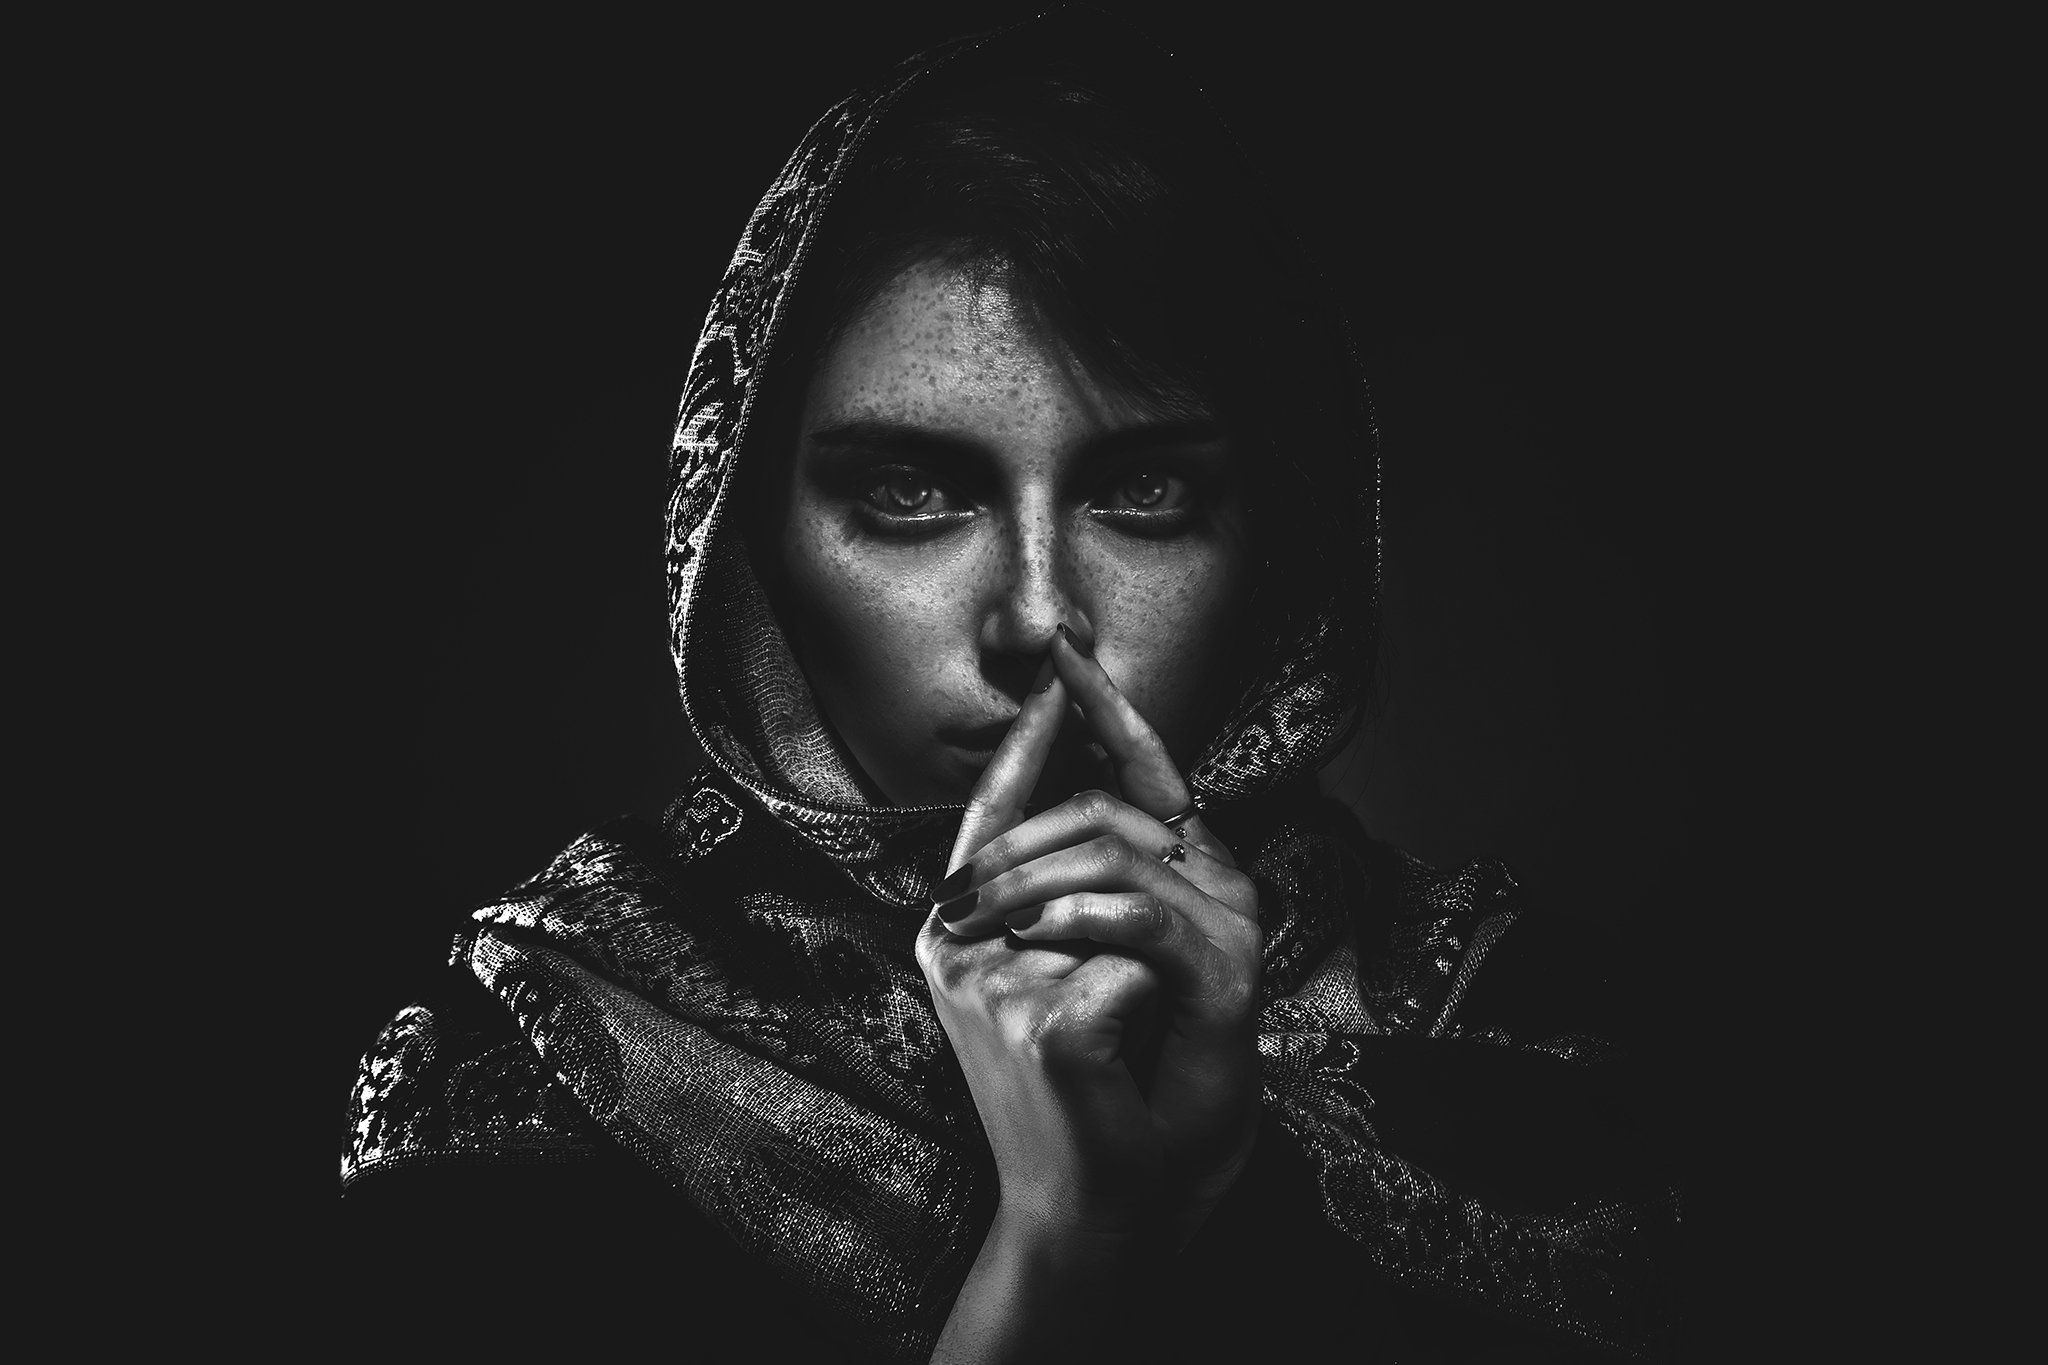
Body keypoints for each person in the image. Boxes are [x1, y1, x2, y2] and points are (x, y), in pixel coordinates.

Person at [339, 10, 1679, 1361]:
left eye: (1144, 492)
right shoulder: (538, 1066)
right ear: (750, 550)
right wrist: (1061, 1242)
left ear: (1281, 547)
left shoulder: (1520, 1035)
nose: (1040, 618)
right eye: (909, 492)